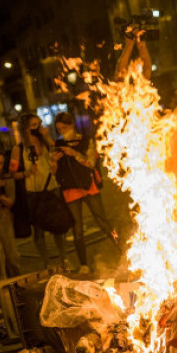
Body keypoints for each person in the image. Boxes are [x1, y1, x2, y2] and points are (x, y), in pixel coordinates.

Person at [50, 112, 119, 273]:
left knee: (103, 221)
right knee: (77, 229)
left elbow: (90, 163)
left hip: (88, 185)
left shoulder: (86, 140)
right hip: (70, 189)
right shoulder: (58, 144)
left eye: (65, 127)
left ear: (72, 125)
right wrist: (54, 161)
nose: (63, 131)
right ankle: (84, 265)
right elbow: (54, 172)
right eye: (59, 129)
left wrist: (74, 154)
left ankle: (121, 249)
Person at [9, 114, 70, 269]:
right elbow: (12, 174)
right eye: (34, 125)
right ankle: (46, 263)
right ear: (26, 128)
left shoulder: (45, 142)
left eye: (39, 124)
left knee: (58, 227)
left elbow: (58, 151)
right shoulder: (18, 149)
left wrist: (47, 137)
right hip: (33, 193)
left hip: (51, 189)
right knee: (39, 231)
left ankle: (64, 259)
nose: (38, 127)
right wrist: (27, 173)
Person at [0, 147, 20, 288]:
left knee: (12, 256)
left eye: (1, 163)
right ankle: (2, 289)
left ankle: (17, 286)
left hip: (3, 218)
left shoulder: (6, 178)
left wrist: (0, 196)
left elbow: (11, 201)